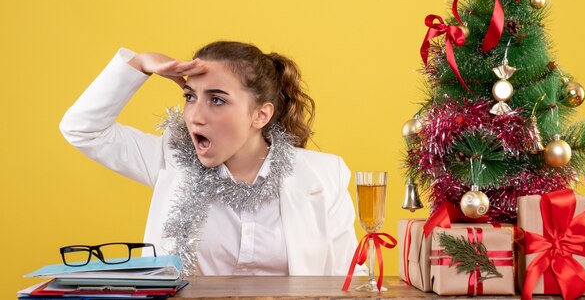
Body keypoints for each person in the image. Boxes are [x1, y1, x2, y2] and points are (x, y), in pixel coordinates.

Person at [60, 42, 360, 276]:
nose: (195, 116)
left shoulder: (324, 175)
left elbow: (348, 278)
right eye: (190, 96)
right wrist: (139, 64)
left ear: (260, 114)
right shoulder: (171, 160)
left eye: (217, 100)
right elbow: (83, 129)